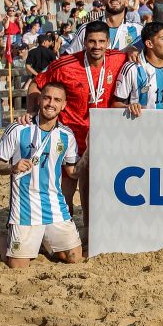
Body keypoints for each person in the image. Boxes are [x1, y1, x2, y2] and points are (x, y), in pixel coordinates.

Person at [27, 20, 128, 230]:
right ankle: (62, 229)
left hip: (102, 135)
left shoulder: (119, 58)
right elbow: (37, 84)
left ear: (108, 42)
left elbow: (141, 49)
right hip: (71, 135)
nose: (96, 46)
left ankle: (92, 233)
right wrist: (32, 111)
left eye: (101, 41)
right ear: (84, 41)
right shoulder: (65, 65)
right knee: (67, 187)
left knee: (95, 187)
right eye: (91, 41)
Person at [0, 82, 82, 268]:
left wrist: (89, 155)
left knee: (73, 258)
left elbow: (72, 172)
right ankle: (2, 240)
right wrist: (12, 168)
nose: (51, 103)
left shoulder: (67, 135)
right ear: (39, 100)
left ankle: (41, 239)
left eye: (57, 100)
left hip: (54, 205)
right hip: (25, 206)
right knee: (17, 267)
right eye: (47, 98)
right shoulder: (18, 128)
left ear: (63, 105)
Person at [113, 21, 163, 115]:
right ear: (149, 44)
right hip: (138, 125)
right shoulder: (132, 68)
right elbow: (115, 104)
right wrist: (128, 107)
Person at [63, 0, 142, 53]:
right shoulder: (86, 29)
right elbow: (67, 58)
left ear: (126, 2)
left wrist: (134, 47)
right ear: (103, 1)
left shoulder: (139, 30)